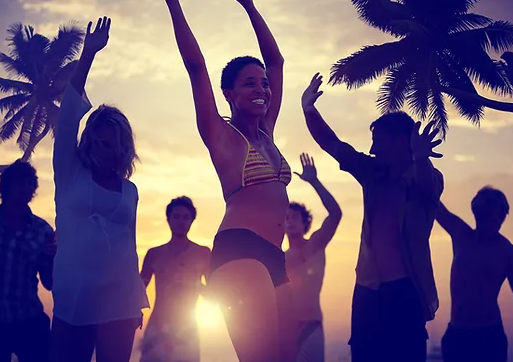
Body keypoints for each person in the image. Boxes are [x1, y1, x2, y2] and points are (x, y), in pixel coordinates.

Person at [163, 0, 296, 361]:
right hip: (240, 251)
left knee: (287, 355)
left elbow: (278, 62)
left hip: (274, 257)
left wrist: (249, 6)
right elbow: (195, 67)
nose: (262, 89)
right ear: (229, 94)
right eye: (250, 83)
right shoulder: (220, 135)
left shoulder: (267, 132)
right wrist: (173, 4)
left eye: (264, 84)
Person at [301, 73, 444, 362]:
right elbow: (333, 144)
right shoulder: (371, 173)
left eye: (379, 142)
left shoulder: (425, 177)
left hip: (405, 291)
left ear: (402, 143)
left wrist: (421, 158)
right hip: (367, 291)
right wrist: (308, 109)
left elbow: (428, 188)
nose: (372, 149)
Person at [50, 17, 149, 362]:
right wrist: (88, 54)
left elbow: (131, 246)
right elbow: (67, 118)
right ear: (91, 141)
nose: (108, 149)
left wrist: (137, 299)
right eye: (102, 142)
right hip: (73, 300)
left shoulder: (130, 190)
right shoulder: (70, 173)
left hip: (119, 302)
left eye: (116, 144)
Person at [436, 187, 512, 362]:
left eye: (496, 219)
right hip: (457, 334)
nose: (491, 223)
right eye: (485, 217)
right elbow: (436, 207)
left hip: (489, 335)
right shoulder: (462, 235)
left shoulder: (506, 251)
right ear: (477, 214)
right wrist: (416, 169)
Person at [285, 153, 342, 362]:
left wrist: (314, 181)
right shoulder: (279, 258)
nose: (289, 222)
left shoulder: (315, 245)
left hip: (311, 325)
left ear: (304, 223)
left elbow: (335, 214)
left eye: (294, 218)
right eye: (286, 218)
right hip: (285, 329)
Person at [139, 196, 210, 362]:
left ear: (192, 221)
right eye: (176, 216)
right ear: (168, 219)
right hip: (158, 324)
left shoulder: (203, 253)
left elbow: (214, 293)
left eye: (186, 217)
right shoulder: (154, 253)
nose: (181, 221)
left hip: (188, 329)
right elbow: (139, 289)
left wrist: (196, 285)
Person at [0, 160, 55, 362]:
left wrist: (54, 258)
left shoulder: (42, 231)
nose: (25, 188)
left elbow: (50, 283)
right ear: (6, 186)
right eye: (19, 182)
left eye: (29, 184)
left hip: (28, 320)